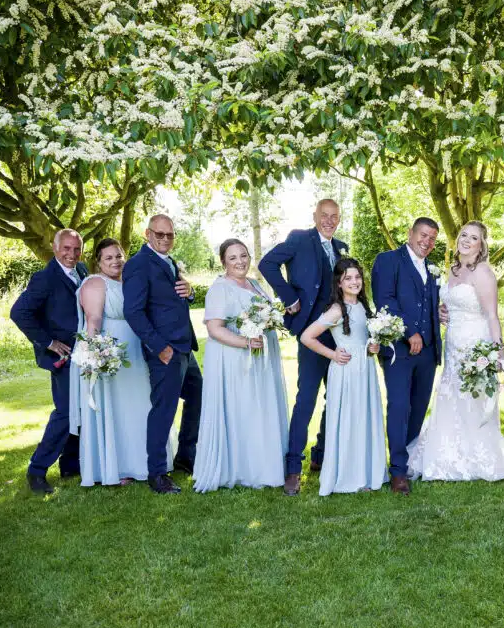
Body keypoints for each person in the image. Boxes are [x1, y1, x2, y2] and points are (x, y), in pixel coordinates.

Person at [407, 221, 504, 482]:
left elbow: (492, 315)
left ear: (482, 246)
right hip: (453, 345)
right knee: (451, 396)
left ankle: (476, 457)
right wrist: (441, 311)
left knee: (473, 401)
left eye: (474, 238)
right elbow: (449, 304)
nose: (467, 241)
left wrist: (498, 353)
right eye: (464, 235)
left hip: (474, 346)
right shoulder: (453, 269)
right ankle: (446, 451)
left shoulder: (483, 272)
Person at [259, 199, 347, 496]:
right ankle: (293, 467)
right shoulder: (299, 239)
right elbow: (267, 263)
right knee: (307, 398)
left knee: (336, 396)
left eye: (334, 217)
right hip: (312, 332)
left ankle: (321, 455)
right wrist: (288, 296)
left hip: (339, 334)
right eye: (324, 216)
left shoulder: (341, 247)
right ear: (314, 216)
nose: (329, 221)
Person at [71, 239, 172, 486]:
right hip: (110, 352)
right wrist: (95, 356)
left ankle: (146, 463)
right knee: (115, 410)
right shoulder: (95, 283)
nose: (116, 261)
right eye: (109, 258)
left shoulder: (128, 281)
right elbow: (93, 321)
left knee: (141, 405)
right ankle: (118, 468)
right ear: (98, 261)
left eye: (119, 256)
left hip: (136, 351)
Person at [193, 239, 289, 492]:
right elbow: (214, 329)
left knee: (259, 407)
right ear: (223, 261)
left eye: (244, 256)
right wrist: (245, 342)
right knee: (243, 408)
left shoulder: (255, 284)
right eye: (233, 257)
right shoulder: (220, 288)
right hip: (235, 360)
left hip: (260, 359)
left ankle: (265, 464)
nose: (240, 262)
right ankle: (243, 468)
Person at [123, 214, 203, 494]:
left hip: (185, 346)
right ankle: (157, 474)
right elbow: (133, 311)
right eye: (160, 234)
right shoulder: (137, 265)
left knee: (198, 397)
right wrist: (159, 347)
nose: (166, 239)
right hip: (165, 351)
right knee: (164, 411)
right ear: (147, 234)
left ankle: (186, 456)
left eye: (170, 235)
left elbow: (173, 297)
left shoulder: (168, 261)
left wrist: (190, 292)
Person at [301, 258, 388, 496]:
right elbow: (307, 337)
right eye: (348, 278)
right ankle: (349, 475)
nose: (354, 282)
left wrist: (374, 347)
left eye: (357, 277)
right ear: (339, 283)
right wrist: (332, 353)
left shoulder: (362, 306)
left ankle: (367, 471)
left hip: (365, 370)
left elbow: (363, 337)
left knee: (364, 418)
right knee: (350, 420)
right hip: (347, 370)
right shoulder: (337, 309)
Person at [11, 229, 88, 493]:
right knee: (66, 412)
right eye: (66, 249)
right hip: (64, 357)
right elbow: (19, 312)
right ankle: (37, 470)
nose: (71, 254)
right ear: (55, 249)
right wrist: (49, 342)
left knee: (81, 410)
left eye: (76, 249)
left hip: (86, 354)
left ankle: (70, 465)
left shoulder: (83, 271)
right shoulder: (44, 278)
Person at [371, 218, 443, 495]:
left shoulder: (432, 270)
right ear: (410, 233)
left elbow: (430, 303)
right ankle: (398, 472)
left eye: (433, 238)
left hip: (428, 351)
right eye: (423, 235)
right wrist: (410, 332)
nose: (427, 241)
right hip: (399, 351)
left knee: (417, 407)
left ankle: (410, 459)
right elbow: (385, 300)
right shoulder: (388, 260)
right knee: (399, 407)